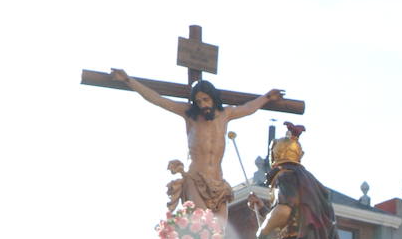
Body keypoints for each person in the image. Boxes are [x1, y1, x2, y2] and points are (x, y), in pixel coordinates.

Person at [111, 70, 284, 218]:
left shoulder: (225, 114)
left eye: (206, 99)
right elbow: (158, 99)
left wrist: (267, 97)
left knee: (219, 234)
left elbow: (248, 107)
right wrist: (128, 80)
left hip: (218, 182)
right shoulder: (189, 114)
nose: (203, 105)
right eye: (199, 101)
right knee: (202, 228)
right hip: (195, 179)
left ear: (213, 98)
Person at [257, 123, 348, 239]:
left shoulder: (285, 176)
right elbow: (294, 212)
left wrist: (262, 232)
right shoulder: (310, 181)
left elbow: (283, 211)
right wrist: (261, 209)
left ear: (274, 156)